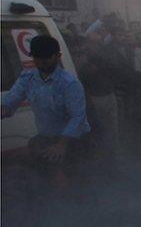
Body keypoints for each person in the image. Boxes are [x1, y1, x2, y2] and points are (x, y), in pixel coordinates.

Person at [1, 35, 90, 164]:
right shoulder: (27, 78)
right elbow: (12, 99)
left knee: (78, 177)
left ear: (58, 56)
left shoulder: (69, 83)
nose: (42, 61)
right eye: (37, 57)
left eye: (46, 57)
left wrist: (62, 145)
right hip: (46, 138)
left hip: (73, 139)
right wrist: (4, 109)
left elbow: (78, 116)